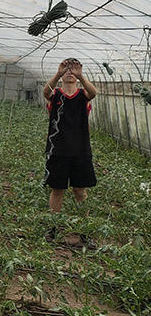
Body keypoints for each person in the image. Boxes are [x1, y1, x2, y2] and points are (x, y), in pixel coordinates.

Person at [42, 57, 98, 247]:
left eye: (72, 70)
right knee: (57, 190)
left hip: (81, 151)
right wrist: (58, 73)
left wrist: (81, 76)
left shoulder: (83, 95)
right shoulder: (56, 94)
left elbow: (93, 92)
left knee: (80, 191)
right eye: (67, 70)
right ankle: (53, 229)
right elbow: (45, 92)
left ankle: (85, 232)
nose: (69, 72)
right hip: (58, 151)